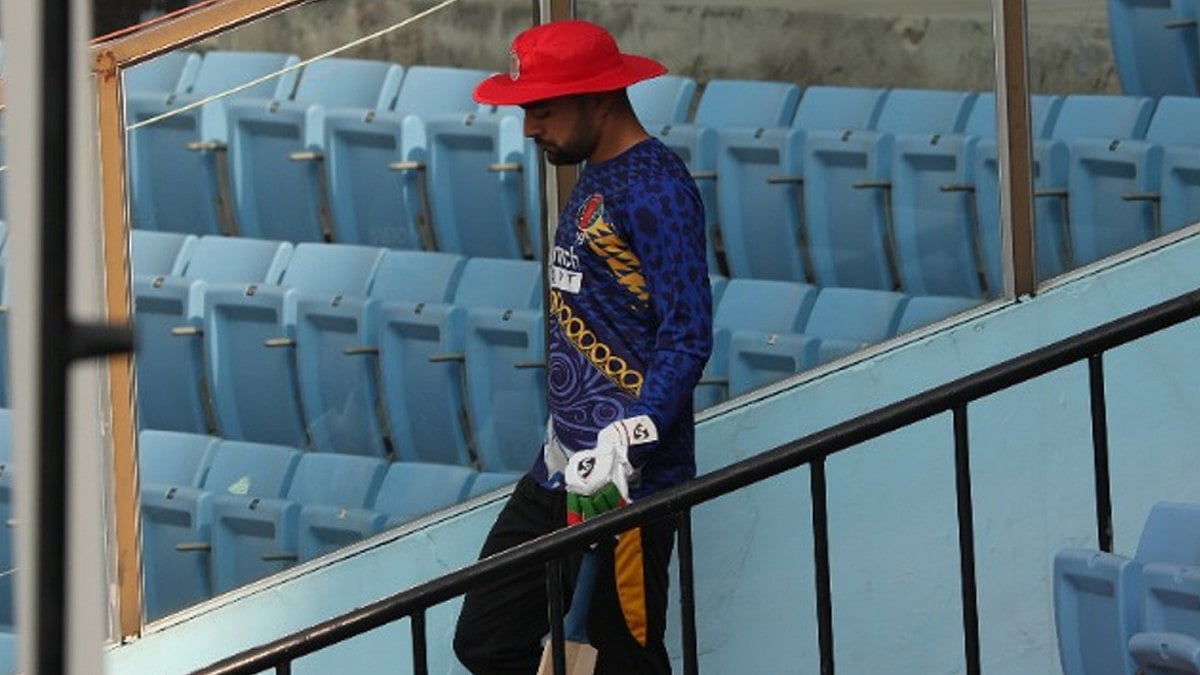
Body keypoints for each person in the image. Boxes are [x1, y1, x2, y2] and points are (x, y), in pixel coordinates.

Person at [453, 19, 713, 675]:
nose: (530, 126)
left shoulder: (656, 187)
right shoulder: (597, 174)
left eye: (542, 108)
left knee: (627, 659)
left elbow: (687, 333)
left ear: (600, 96)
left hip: (628, 486)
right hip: (561, 468)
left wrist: (634, 437)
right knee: (485, 637)